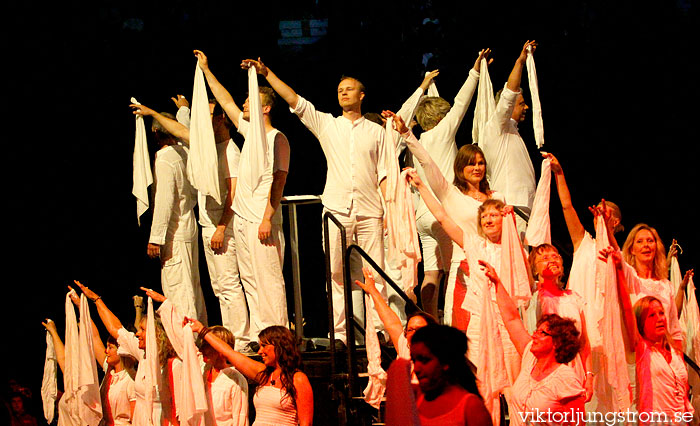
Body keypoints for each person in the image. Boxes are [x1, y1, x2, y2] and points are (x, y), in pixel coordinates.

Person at [241, 57, 388, 345]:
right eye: (339, 90)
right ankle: (341, 334)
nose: (343, 93)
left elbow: (384, 174)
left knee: (375, 272)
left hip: (371, 210)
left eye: (349, 89)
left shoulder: (377, 132)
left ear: (362, 95)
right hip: (337, 208)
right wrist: (267, 73)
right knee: (335, 272)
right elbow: (296, 100)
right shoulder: (328, 125)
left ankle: (379, 330)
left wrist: (389, 214)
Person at [196, 50, 291, 345]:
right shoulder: (250, 132)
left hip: (262, 219)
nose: (244, 104)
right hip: (243, 218)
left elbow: (279, 181)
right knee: (250, 280)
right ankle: (259, 335)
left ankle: (278, 335)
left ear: (265, 107)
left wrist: (267, 217)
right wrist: (207, 70)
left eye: (250, 100)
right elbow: (225, 100)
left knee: (269, 280)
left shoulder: (277, 138)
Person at [405, 50, 491, 322]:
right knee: (457, 268)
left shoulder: (417, 143)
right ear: (441, 117)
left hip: (422, 215)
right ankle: (461, 318)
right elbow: (462, 102)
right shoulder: (442, 132)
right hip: (442, 212)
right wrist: (475, 70)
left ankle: (430, 322)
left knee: (431, 273)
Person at [128, 103, 207, 324]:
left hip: (175, 230)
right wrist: (184, 112)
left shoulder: (165, 158)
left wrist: (156, 238)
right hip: (188, 225)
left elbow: (164, 200)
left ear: (154, 132)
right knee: (192, 285)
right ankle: (200, 340)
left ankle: (188, 344)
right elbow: (186, 132)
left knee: (179, 288)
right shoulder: (184, 151)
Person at [484, 260, 585, 426]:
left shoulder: (566, 378)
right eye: (537, 331)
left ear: (558, 343)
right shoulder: (529, 357)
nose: (534, 336)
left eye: (542, 333)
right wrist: (497, 283)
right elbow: (512, 319)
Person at [602, 247, 693, 423]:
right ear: (641, 322)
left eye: (661, 313)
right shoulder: (642, 350)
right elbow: (626, 309)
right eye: (651, 315)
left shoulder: (673, 352)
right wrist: (620, 271)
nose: (659, 318)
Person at [71, 280, 178, 426]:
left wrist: (165, 302)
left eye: (142, 330)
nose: (138, 333)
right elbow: (116, 328)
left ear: (156, 334)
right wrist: (96, 299)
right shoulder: (143, 355)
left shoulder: (173, 364)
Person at [188, 320, 313, 426]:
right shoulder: (265, 374)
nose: (260, 351)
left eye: (264, 346)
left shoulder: (298, 379)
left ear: (279, 346)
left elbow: (306, 423)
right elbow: (229, 353)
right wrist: (201, 330)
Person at [477, 41, 538, 236]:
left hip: (524, 207)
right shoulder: (496, 127)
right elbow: (509, 94)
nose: (526, 107)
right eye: (522, 104)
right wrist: (520, 62)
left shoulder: (512, 131)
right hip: (512, 206)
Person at [524, 243, 594, 401]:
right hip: (546, 371)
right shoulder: (535, 297)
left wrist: (589, 376)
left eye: (555, 256)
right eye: (545, 258)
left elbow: (584, 343)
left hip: (575, 371)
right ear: (535, 269)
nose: (552, 260)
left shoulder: (573, 297)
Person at [386, 324, 492, 426]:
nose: (416, 368)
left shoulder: (471, 407)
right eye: (414, 360)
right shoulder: (415, 398)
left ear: (445, 361)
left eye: (425, 360)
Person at [619, 223, 684, 351]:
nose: (646, 245)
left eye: (650, 241)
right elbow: (617, 257)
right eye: (639, 241)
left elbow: (675, 330)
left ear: (656, 246)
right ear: (632, 249)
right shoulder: (630, 280)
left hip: (665, 355)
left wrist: (679, 362)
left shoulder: (666, 285)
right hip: (638, 355)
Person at [355, 267, 438, 360]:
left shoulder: (440, 357)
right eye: (410, 330)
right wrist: (373, 291)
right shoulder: (405, 348)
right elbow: (391, 321)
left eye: (419, 329)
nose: (414, 333)